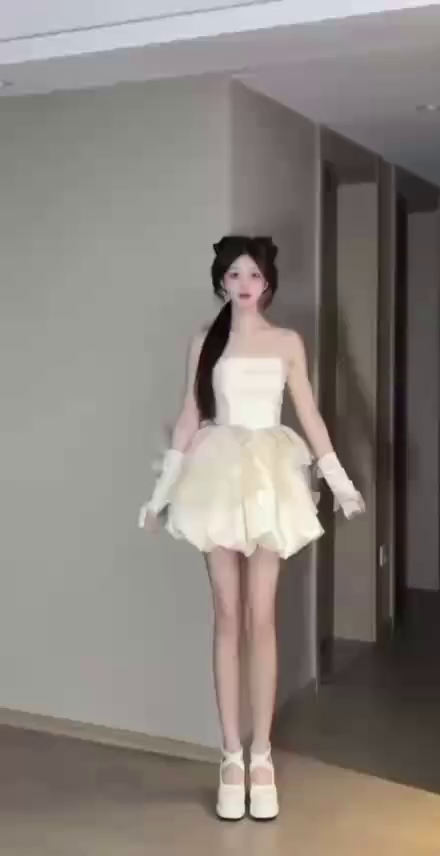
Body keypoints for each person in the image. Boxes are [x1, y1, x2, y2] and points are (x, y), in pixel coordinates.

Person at [139, 235, 364, 822]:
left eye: (254, 274)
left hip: (269, 477)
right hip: (216, 476)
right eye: (234, 273)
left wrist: (339, 481)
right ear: (221, 280)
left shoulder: (287, 342)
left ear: (268, 283)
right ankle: (230, 757)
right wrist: (160, 494)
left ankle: (261, 755)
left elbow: (308, 413)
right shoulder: (205, 342)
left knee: (262, 616)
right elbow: (190, 415)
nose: (244, 283)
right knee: (227, 614)